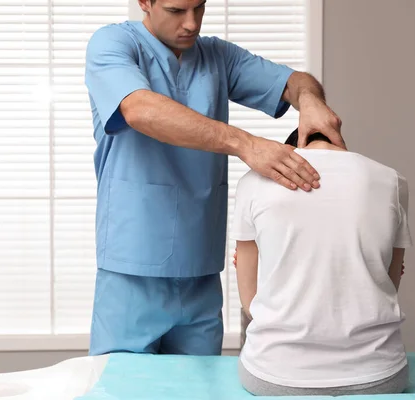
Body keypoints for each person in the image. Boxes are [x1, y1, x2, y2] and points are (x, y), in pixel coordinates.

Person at [84, 0, 344, 356]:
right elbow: (139, 109)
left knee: (201, 388)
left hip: (202, 273)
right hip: (133, 271)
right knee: (122, 388)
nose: (191, 23)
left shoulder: (217, 57)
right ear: (144, 2)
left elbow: (295, 82)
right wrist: (246, 144)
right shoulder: (112, 44)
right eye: (177, 10)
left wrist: (310, 99)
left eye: (199, 8)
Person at [232, 128, 412, 396]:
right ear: (340, 144)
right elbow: (390, 281)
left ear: (293, 149)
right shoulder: (392, 180)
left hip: (274, 376)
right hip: (378, 374)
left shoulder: (253, 182)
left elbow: (249, 304)